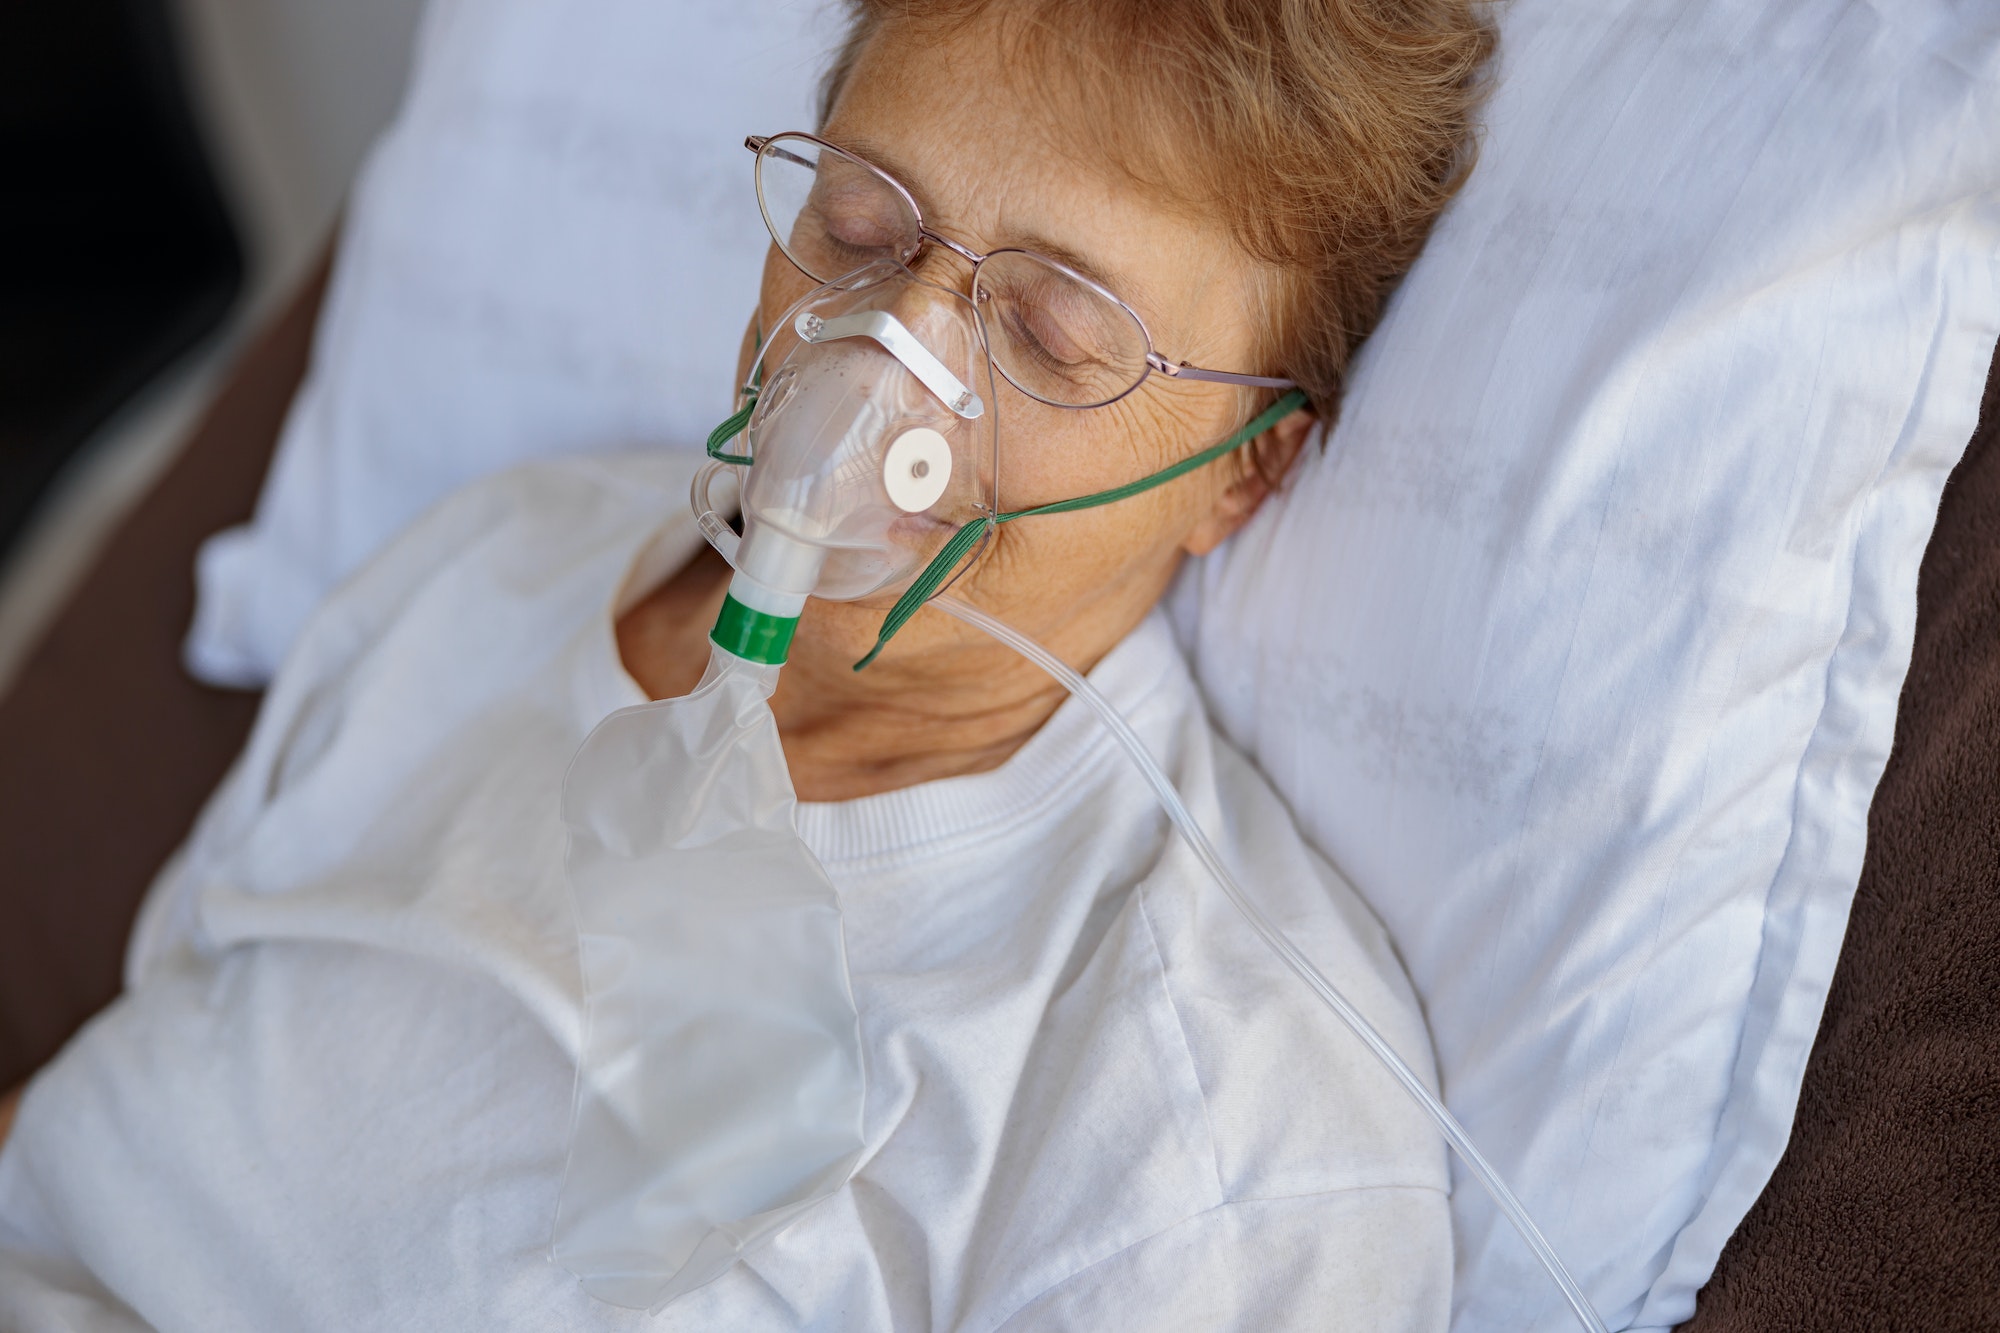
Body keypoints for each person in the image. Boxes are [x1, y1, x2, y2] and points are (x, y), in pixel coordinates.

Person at [0, 1, 1492, 1327]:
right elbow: (110, 1101)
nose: (889, 350)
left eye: (1046, 328)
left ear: (1247, 470)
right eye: (859, 225)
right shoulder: (503, 563)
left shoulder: (1213, 1130)